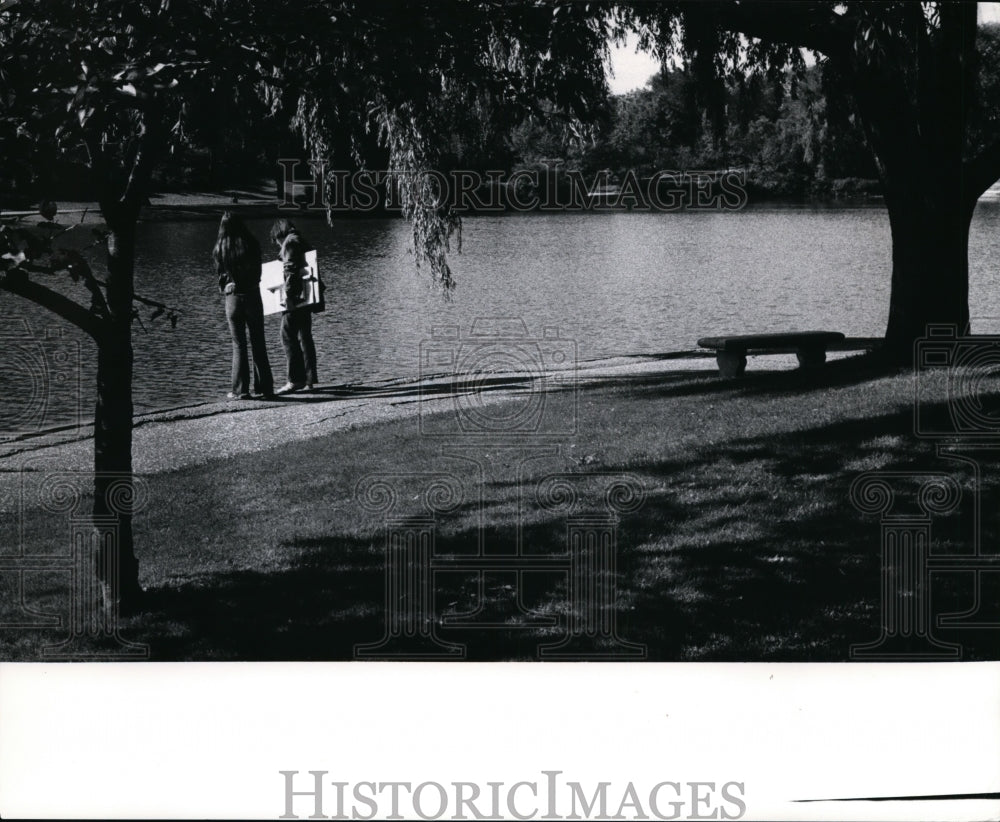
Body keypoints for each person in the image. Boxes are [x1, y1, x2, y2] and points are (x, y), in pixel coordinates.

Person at [213, 212, 274, 399]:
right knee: (258, 341)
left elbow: (220, 278)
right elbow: (258, 274)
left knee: (238, 344)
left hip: (232, 299)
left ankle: (241, 390)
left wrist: (228, 285)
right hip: (252, 295)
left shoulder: (219, 248)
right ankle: (265, 387)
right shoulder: (251, 244)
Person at [270, 218, 318, 393]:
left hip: (296, 297)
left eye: (277, 241)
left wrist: (288, 297)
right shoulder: (301, 240)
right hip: (307, 296)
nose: (278, 245)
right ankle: (309, 379)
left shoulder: (290, 243)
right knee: (305, 336)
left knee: (287, 334)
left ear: (279, 234)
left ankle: (295, 380)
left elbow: (290, 270)